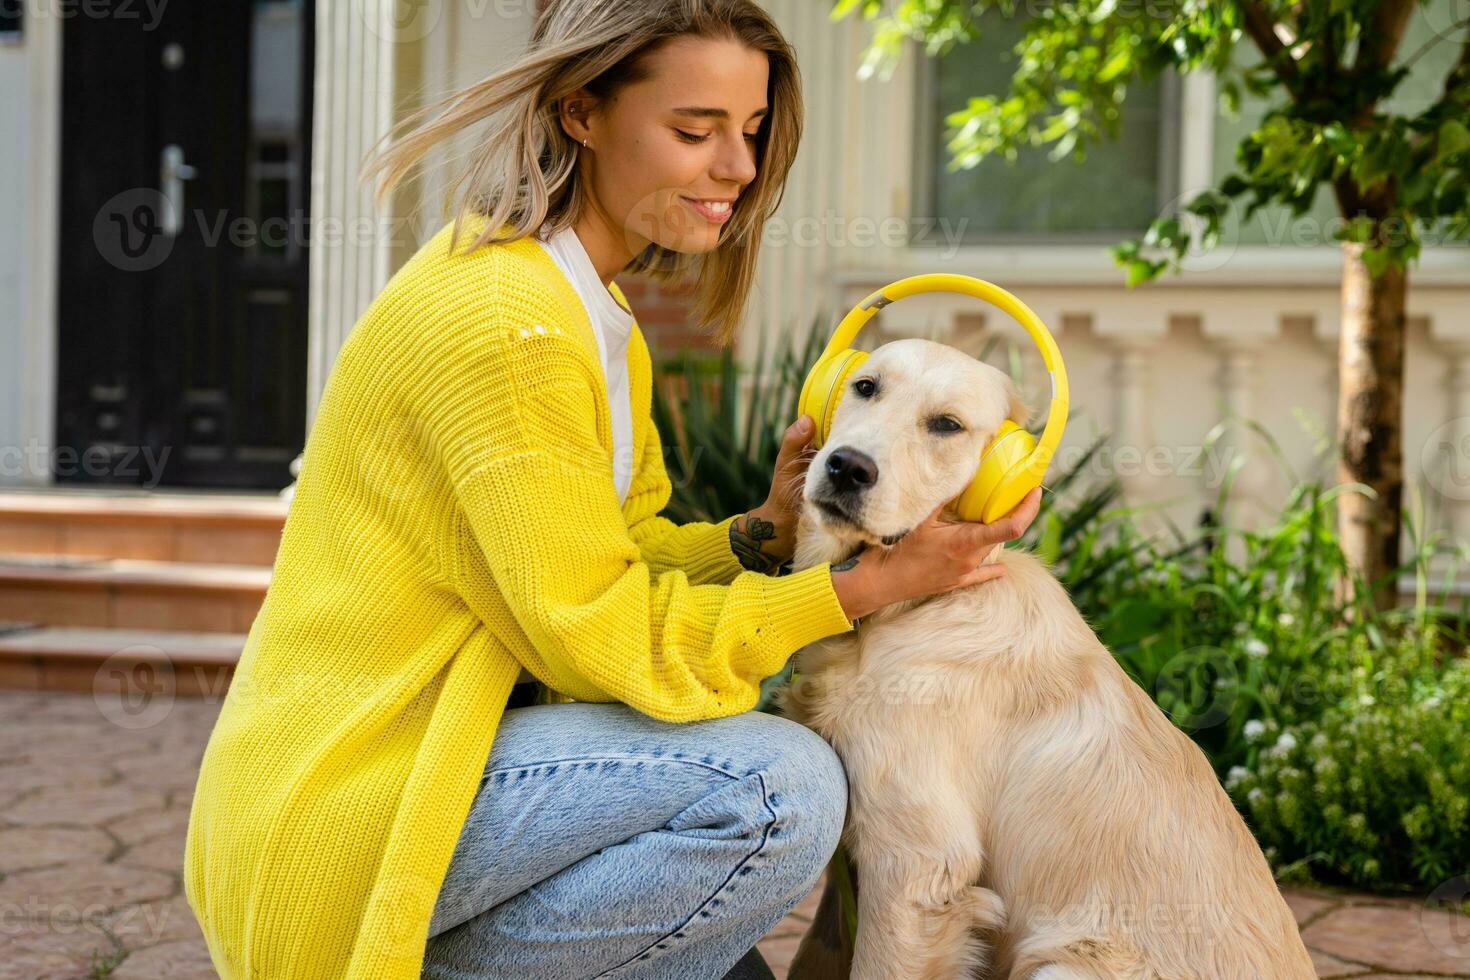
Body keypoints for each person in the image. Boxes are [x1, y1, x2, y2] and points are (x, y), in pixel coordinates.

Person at [181, 1, 1042, 978]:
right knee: (775, 786)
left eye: (751, 132)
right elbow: (601, 634)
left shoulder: (590, 311)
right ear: (580, 111)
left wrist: (758, 535)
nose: (738, 169)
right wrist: (857, 591)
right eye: (694, 129)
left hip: (438, 763)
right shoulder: (510, 324)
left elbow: (604, 552)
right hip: (354, 798)